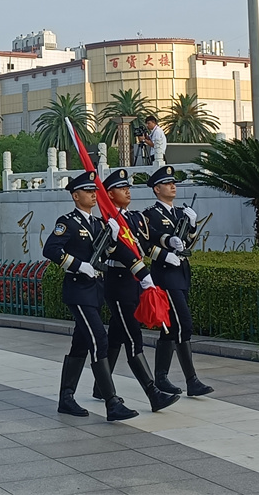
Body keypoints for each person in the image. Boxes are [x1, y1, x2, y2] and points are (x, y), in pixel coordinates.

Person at [41, 171, 137, 422]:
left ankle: (66, 398)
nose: (94, 195)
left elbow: (109, 252)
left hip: (95, 291)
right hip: (78, 290)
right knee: (99, 340)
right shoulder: (68, 222)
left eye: (95, 191)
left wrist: (113, 239)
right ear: (76, 196)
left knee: (81, 343)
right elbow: (50, 249)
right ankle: (111, 402)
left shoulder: (97, 224)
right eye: (88, 191)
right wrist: (77, 265)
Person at [91, 170, 178, 412]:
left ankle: (100, 387)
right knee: (133, 338)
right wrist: (143, 273)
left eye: (128, 187)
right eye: (122, 188)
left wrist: (168, 246)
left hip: (135, 282)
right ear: (109, 195)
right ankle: (153, 393)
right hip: (119, 282)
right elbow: (121, 252)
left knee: (117, 335)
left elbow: (146, 245)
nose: (128, 191)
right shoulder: (108, 222)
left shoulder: (135, 218)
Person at [143, 166, 213, 397]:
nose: (173, 186)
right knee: (184, 324)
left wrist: (191, 225)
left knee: (171, 327)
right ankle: (191, 380)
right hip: (165, 274)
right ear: (157, 189)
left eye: (174, 183)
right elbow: (146, 245)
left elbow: (188, 244)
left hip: (182, 272)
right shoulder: (150, 214)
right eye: (167, 183)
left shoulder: (181, 213)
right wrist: (165, 253)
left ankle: (162, 377)